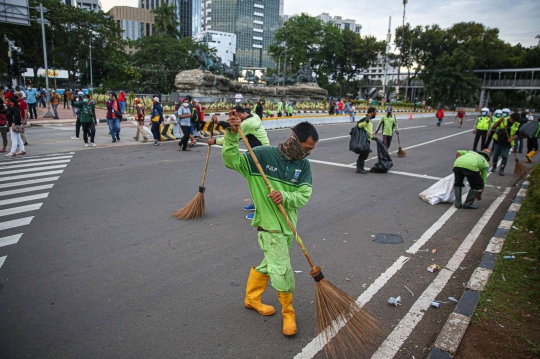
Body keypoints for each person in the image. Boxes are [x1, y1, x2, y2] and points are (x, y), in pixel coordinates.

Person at [222, 118, 318, 337]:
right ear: (294, 140)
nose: (307, 154)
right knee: (282, 270)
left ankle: (251, 298)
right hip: (269, 227)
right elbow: (231, 159)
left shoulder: (303, 165)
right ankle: (288, 312)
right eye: (305, 148)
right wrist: (231, 135)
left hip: (288, 227)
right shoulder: (262, 156)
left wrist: (284, 195)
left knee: (271, 264)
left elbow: (303, 196)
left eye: (310, 150)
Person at [209, 106, 270, 220]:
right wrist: (218, 122)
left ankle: (261, 210)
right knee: (254, 180)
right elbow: (232, 126)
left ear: (240, 114)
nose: (234, 119)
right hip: (257, 151)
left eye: (235, 116)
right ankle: (256, 203)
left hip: (260, 155)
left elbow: (234, 134)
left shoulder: (247, 124)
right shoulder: (254, 116)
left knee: (259, 182)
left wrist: (215, 141)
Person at [355, 107, 376, 174]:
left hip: (368, 138)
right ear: (371, 112)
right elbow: (359, 125)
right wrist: (366, 122)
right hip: (364, 139)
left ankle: (361, 167)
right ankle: (358, 168)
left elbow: (368, 130)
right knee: (364, 154)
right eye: (375, 112)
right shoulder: (365, 118)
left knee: (364, 153)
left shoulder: (369, 119)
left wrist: (372, 137)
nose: (375, 113)